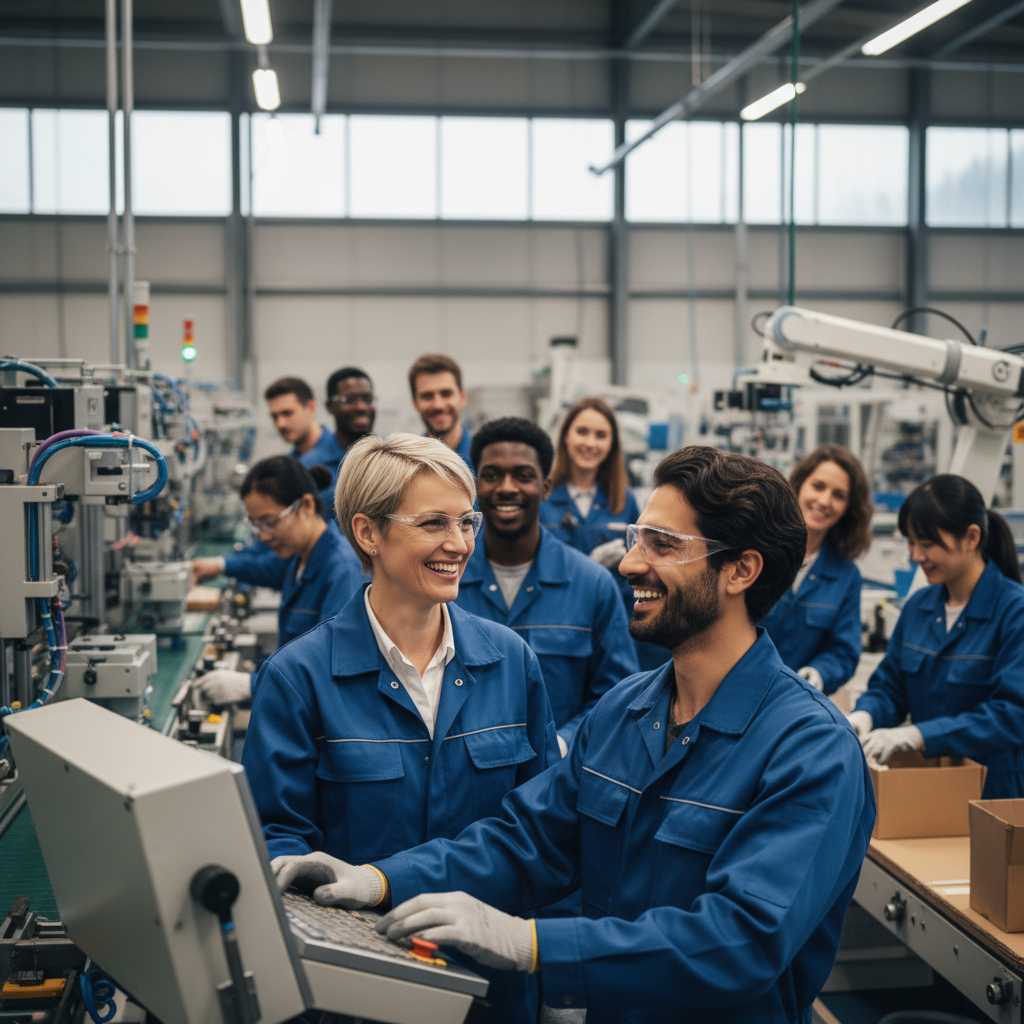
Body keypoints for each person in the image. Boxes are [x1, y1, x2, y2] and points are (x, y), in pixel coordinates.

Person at [271, 446, 874, 1024]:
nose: (632, 562)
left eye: (663, 545)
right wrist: (378, 880)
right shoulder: (624, 712)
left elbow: (740, 942)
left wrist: (533, 945)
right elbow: (524, 842)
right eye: (637, 538)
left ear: (741, 570)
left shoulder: (810, 750)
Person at [244, 433, 559, 1024]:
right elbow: (276, 841)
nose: (460, 544)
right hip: (360, 994)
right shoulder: (297, 679)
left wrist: (559, 992)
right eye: (435, 523)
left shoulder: (511, 662)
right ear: (368, 533)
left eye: (468, 522)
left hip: (493, 993)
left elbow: (543, 835)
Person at [455, 416, 637, 755]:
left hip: (557, 785)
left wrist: (562, 743)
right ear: (474, 486)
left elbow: (617, 694)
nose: (507, 487)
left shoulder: (592, 585)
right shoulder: (447, 580)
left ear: (546, 487)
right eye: (492, 475)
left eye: (523, 476)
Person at [849, 474, 1024, 798]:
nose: (915, 556)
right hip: (932, 786)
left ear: (971, 537)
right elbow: (891, 686)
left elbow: (1012, 715)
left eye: (926, 544)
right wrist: (867, 713)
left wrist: (920, 735)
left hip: (995, 795)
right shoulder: (919, 607)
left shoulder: (1014, 612)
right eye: (911, 542)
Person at [194, 457, 365, 705]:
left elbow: (332, 671)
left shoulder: (342, 570)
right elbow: (266, 569)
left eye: (270, 522)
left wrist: (251, 685)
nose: (263, 536)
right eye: (256, 525)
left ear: (306, 505)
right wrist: (220, 565)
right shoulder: (301, 558)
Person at [541, 397, 666, 671]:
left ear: (611, 444)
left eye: (601, 435)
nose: (590, 443)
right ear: (565, 437)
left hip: (614, 620)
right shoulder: (543, 499)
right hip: (558, 620)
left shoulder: (624, 502)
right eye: (582, 432)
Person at [760, 444, 871, 694]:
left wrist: (817, 674)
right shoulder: (757, 550)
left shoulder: (846, 576)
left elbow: (843, 651)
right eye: (818, 486)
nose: (824, 501)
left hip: (793, 703)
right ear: (799, 484)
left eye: (839, 495)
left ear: (849, 508)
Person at [408, 354, 472, 467]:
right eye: (427, 396)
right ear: (415, 403)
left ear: (462, 397)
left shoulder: (485, 459)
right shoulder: (408, 464)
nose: (438, 405)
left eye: (446, 394)